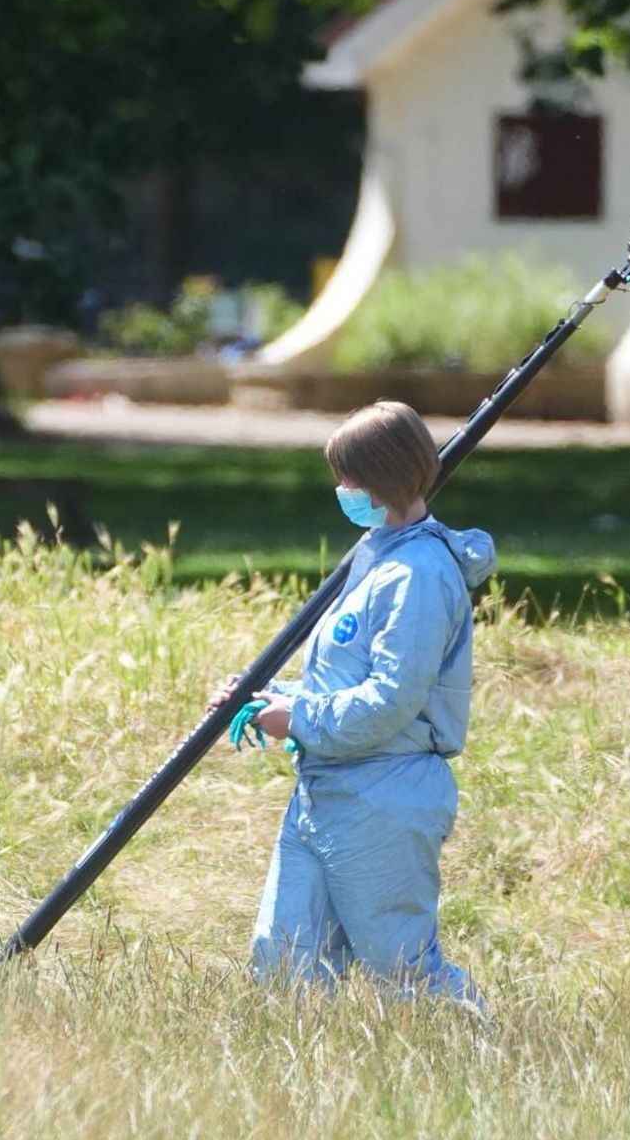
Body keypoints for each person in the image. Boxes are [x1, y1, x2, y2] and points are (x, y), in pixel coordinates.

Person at [210, 400, 495, 1003]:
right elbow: (344, 681)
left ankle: (475, 1058)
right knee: (286, 958)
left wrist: (299, 720)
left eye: (348, 479)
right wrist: (268, 698)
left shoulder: (418, 575)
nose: (341, 490)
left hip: (384, 794)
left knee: (403, 969)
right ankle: (306, 1079)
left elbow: (391, 701)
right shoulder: (375, 557)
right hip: (326, 786)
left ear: (381, 478)